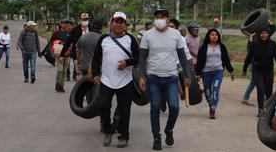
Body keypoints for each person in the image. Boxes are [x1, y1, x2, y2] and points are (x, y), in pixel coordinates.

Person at [138, 9, 191, 150]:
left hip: (171, 78)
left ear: (168, 19)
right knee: (155, 107)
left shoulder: (176, 35)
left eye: (162, 17)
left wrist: (187, 75)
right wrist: (141, 76)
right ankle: (157, 137)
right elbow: (142, 57)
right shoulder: (147, 35)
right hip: (153, 77)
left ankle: (169, 129)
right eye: (157, 17)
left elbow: (182, 57)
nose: (159, 19)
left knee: (174, 107)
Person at [92, 12, 139, 148]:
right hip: (107, 80)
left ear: (125, 25)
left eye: (121, 22)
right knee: (103, 106)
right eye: (116, 21)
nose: (118, 24)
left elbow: (138, 58)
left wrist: (127, 63)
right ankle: (108, 130)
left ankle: (124, 137)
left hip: (125, 80)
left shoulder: (130, 39)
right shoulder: (103, 39)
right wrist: (95, 74)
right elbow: (96, 58)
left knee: (125, 110)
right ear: (111, 23)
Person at [196, 28, 235, 119]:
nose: (214, 36)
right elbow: (199, 61)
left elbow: (226, 59)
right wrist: (198, 74)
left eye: (216, 35)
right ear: (208, 36)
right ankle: (211, 104)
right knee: (208, 91)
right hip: (206, 72)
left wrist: (231, 71)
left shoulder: (221, 46)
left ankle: (213, 109)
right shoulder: (204, 47)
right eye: (212, 35)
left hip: (218, 71)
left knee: (215, 89)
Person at [243, 26, 276, 117]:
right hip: (257, 70)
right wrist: (244, 69)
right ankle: (260, 109)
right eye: (262, 33)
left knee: (269, 91)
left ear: (268, 34)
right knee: (261, 89)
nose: (263, 35)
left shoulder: (273, 44)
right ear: (259, 34)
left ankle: (269, 110)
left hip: (269, 71)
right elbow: (249, 57)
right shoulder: (255, 44)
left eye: (265, 33)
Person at [60, 13, 90, 81]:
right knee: (80, 73)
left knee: (88, 74)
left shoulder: (91, 29)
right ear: (80, 20)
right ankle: (80, 88)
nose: (85, 21)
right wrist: (62, 54)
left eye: (86, 19)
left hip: (89, 56)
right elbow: (68, 42)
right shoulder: (75, 30)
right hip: (77, 56)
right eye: (83, 19)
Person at [50, 20, 73, 92]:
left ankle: (61, 86)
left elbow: (72, 42)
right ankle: (57, 84)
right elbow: (51, 41)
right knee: (60, 69)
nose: (65, 25)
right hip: (59, 53)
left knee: (65, 71)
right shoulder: (56, 33)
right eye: (64, 23)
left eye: (66, 24)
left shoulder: (69, 33)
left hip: (67, 54)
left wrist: (71, 46)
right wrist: (53, 50)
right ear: (60, 24)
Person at [241, 31, 256, 106]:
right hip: (253, 65)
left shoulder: (253, 43)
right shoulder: (251, 45)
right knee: (258, 82)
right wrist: (250, 35)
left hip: (254, 65)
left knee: (253, 82)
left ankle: (245, 98)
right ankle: (266, 99)